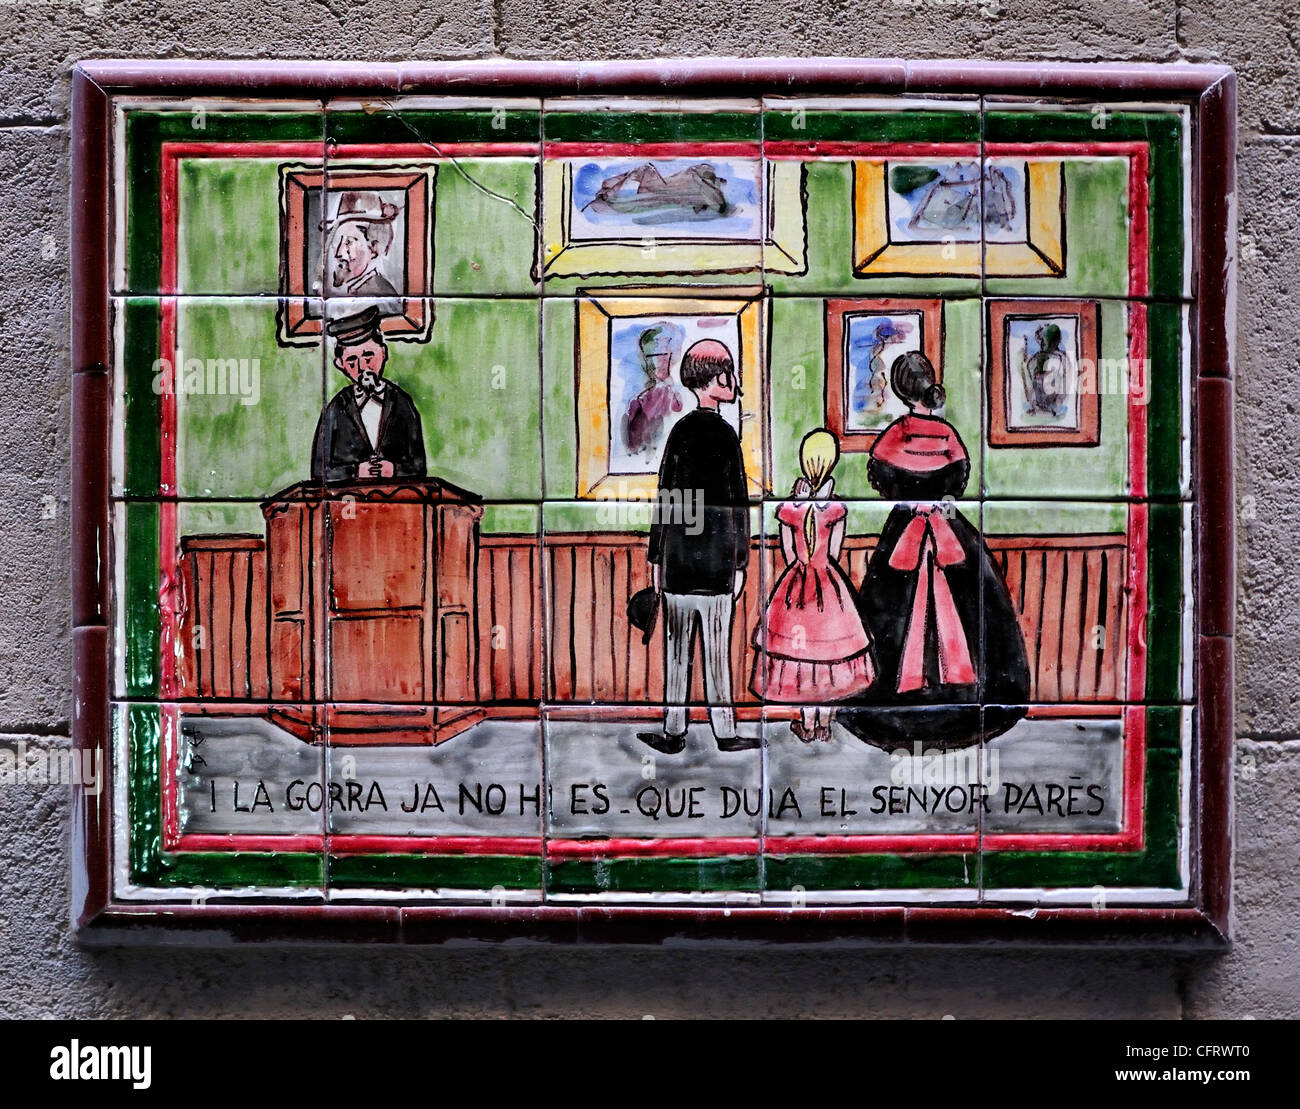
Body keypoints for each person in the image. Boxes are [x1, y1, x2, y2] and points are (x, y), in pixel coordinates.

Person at [837, 351, 1030, 750]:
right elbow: (958, 479)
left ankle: (899, 709)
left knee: (891, 615)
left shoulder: (895, 434)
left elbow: (881, 478)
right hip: (950, 532)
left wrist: (909, 497)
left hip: (906, 531)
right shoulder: (947, 434)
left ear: (900, 390)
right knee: (973, 615)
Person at [640, 339, 758, 755]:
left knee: (676, 651)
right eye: (728, 373)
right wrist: (740, 561)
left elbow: (666, 500)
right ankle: (724, 731)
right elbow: (737, 505)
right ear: (713, 378)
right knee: (716, 651)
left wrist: (657, 557)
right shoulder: (725, 436)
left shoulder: (681, 433)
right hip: (716, 566)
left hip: (678, 563)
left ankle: (674, 731)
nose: (733, 381)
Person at [750, 429, 875, 743]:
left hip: (796, 587)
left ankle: (805, 724)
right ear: (831, 463)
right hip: (829, 587)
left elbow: (790, 553)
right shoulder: (834, 509)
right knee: (830, 654)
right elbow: (833, 552)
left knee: (802, 659)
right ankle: (824, 724)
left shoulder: (790, 510)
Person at [310, 306, 427, 483]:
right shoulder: (336, 408)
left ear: (383, 352)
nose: (363, 367)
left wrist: (394, 470)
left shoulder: (401, 403)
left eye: (368, 356)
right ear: (340, 364)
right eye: (352, 361)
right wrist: (355, 471)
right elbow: (319, 470)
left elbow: (418, 466)